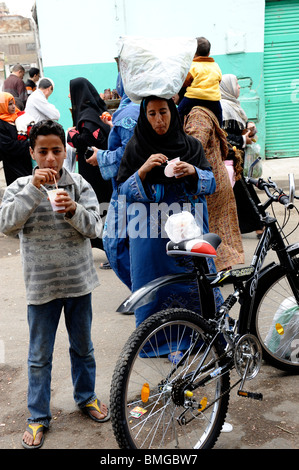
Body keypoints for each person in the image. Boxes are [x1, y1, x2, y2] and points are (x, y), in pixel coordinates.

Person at [0, 120, 109, 449]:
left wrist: (74, 209)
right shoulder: (20, 186)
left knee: (83, 348)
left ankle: (86, 397)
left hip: (78, 284)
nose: (50, 158)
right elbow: (6, 224)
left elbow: (95, 228)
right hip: (41, 288)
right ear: (32, 152)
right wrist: (33, 190)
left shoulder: (77, 184)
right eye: (43, 151)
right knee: (39, 356)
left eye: (56, 151)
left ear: (66, 152)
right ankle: (37, 416)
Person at [117, 96, 222, 329]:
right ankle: (159, 340)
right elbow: (122, 192)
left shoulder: (191, 146)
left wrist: (193, 171)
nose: (159, 120)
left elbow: (212, 183)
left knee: (196, 283)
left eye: (163, 112)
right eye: (152, 114)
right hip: (151, 237)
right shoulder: (135, 148)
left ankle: (202, 335)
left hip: (188, 230)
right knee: (157, 287)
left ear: (173, 113)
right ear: (144, 117)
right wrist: (143, 171)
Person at [184, 105, 245, 271]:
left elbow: (195, 146)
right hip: (215, 179)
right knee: (218, 232)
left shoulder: (197, 115)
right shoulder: (202, 110)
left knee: (212, 233)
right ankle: (221, 273)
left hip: (209, 183)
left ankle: (216, 275)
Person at [97, 74, 140, 285]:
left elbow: (127, 154)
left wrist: (100, 156)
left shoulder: (129, 112)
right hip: (149, 188)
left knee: (114, 243)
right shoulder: (147, 106)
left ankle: (142, 292)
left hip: (128, 189)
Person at [67, 77, 112, 251]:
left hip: (94, 168)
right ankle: (105, 244)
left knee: (99, 205)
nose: (69, 96)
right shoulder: (95, 110)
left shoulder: (87, 115)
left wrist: (72, 136)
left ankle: (107, 245)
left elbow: (88, 140)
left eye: (71, 92)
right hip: (100, 166)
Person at [220, 74, 264, 238]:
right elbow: (224, 136)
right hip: (231, 160)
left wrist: (250, 127)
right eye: (236, 84)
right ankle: (259, 225)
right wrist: (242, 139)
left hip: (238, 160)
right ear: (228, 87)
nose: (238, 87)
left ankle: (255, 224)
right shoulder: (224, 108)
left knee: (242, 193)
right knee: (244, 193)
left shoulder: (233, 105)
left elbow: (239, 128)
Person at [178, 37, 222, 126]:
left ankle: (177, 129)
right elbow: (219, 80)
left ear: (193, 53)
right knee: (219, 115)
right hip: (213, 99)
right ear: (209, 53)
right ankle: (220, 132)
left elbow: (185, 82)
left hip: (193, 98)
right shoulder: (216, 66)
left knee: (180, 112)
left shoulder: (192, 66)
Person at [0, 92, 32, 185]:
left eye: (13, 103)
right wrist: (29, 143)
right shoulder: (1, 124)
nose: (13, 106)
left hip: (25, 160)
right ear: (2, 105)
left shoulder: (18, 116)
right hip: (12, 164)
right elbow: (7, 146)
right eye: (9, 104)